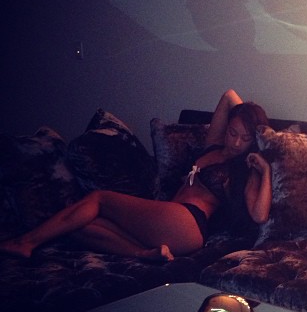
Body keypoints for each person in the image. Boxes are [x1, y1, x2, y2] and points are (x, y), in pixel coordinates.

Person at [0, 89, 272, 261]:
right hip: (168, 219)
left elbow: (259, 215)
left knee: (99, 199)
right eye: (232, 133)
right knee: (80, 226)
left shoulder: (244, 168)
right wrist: (245, 115)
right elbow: (228, 96)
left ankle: (26, 242)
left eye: (245, 138)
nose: (236, 142)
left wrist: (265, 168)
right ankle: (146, 254)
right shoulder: (213, 147)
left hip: (188, 223)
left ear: (253, 140)